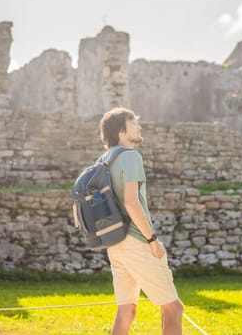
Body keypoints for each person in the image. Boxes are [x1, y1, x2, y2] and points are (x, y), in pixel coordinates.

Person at [75, 107, 183, 335]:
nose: (139, 127)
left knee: (126, 311)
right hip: (136, 240)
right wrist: (152, 239)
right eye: (134, 123)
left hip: (114, 244)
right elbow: (132, 203)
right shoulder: (130, 156)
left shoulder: (102, 161)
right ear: (122, 131)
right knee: (173, 308)